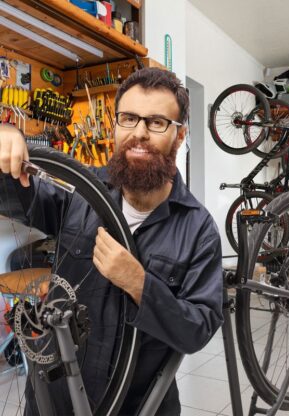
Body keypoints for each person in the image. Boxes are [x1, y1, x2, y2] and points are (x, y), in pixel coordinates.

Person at [0, 67, 224, 415]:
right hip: (52, 400)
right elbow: (15, 195)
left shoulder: (198, 228)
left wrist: (139, 284)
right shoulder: (80, 191)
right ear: (115, 125)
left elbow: (198, 329)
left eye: (157, 122)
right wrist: (7, 145)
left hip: (136, 406)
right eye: (129, 118)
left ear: (180, 136)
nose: (139, 133)